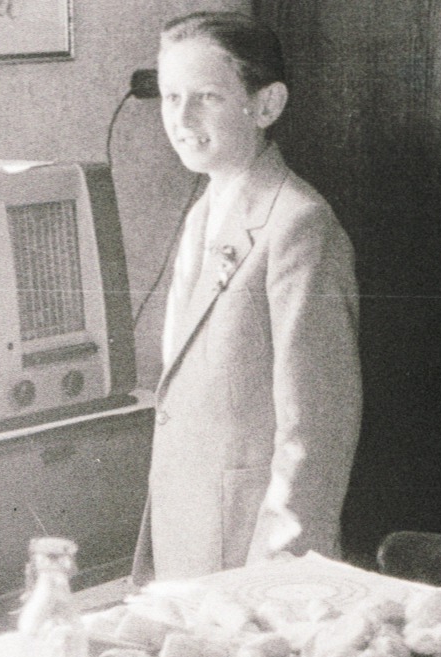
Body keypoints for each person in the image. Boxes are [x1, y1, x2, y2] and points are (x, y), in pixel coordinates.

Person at [133, 10, 362, 582]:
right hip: (189, 547)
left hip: (252, 562)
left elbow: (314, 434)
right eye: (169, 97)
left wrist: (274, 577)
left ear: (266, 105)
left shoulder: (299, 226)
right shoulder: (205, 210)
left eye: (205, 96)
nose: (181, 119)